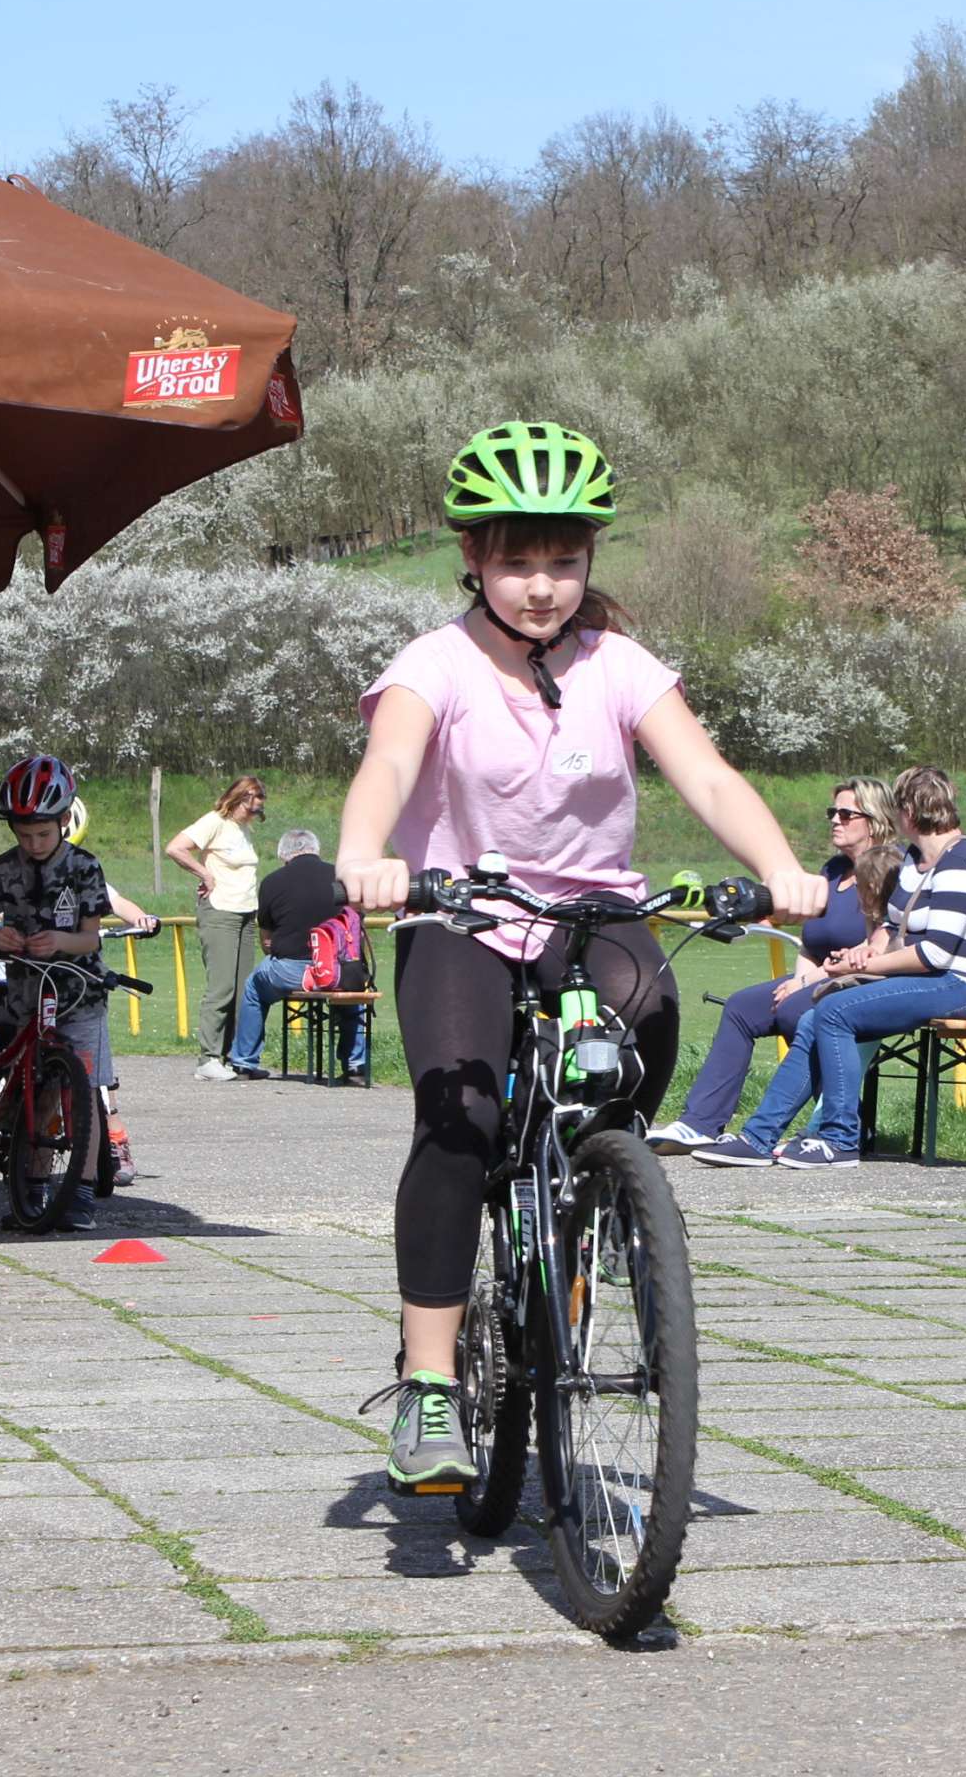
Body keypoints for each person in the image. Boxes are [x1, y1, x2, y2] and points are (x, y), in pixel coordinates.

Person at [335, 419, 825, 1488]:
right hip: (461, 913)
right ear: (473, 555)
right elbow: (390, 762)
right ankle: (428, 1384)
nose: (542, 586)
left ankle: (599, 1190)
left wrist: (782, 866)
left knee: (648, 1004)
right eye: (517, 561)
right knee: (460, 1120)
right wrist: (365, 855)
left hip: (590, 913)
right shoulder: (435, 664)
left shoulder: (621, 667)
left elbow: (708, 776)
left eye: (564, 561)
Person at [695, 763, 966, 1171]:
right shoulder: (915, 859)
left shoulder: (959, 864)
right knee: (814, 1017)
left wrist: (866, 965)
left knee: (834, 1011)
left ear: (909, 812)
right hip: (931, 978)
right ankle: (758, 1138)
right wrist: (863, 952)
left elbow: (935, 953)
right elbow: (892, 926)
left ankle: (839, 1139)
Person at [648, 776, 900, 1148]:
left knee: (795, 1011)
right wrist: (799, 979)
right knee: (741, 1007)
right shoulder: (832, 871)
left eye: (846, 814)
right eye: (832, 812)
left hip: (862, 979)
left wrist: (805, 983)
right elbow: (811, 940)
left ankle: (833, 1124)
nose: (835, 820)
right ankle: (700, 1123)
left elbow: (881, 941)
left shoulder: (891, 867)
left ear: (874, 820)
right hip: (817, 976)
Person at [0, 755, 112, 1232]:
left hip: (78, 994)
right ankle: (31, 1186)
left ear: (64, 820)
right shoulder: (4, 869)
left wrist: (61, 941)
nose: (33, 844)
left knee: (81, 1092)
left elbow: (90, 937)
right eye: (24, 835)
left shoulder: (84, 868)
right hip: (26, 994)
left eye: (43, 834)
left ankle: (81, 1193)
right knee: (35, 1089)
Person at [228, 827, 370, 1081]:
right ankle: (355, 1065)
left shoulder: (272, 882)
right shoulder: (341, 878)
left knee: (253, 988)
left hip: (291, 970)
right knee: (352, 991)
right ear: (316, 849)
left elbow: (267, 938)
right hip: (338, 969)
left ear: (283, 855)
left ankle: (243, 1063)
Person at [68, 795, 149, 1184]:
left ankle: (115, 1140)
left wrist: (142, 918)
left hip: (82, 978)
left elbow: (117, 902)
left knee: (97, 1069)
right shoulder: (20, 874)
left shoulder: (87, 874)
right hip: (38, 975)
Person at [166, 774, 266, 1081]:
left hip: (246, 913)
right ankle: (208, 1059)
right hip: (221, 911)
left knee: (243, 989)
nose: (255, 813)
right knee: (221, 988)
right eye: (253, 806)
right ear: (240, 799)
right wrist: (204, 874)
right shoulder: (214, 822)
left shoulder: (243, 829)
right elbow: (176, 848)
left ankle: (236, 1056)